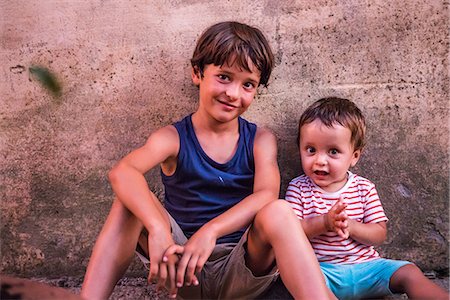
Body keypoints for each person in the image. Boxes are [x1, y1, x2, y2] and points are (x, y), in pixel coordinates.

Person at [81, 21, 334, 300]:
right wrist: (156, 228)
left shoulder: (260, 140)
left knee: (280, 210)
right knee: (128, 199)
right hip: (183, 269)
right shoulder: (173, 138)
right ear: (197, 73)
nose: (234, 93)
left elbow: (266, 195)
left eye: (247, 84)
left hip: (243, 270)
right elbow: (122, 171)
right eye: (224, 77)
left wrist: (211, 231)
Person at [285, 97, 449, 299]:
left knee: (409, 271)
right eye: (311, 150)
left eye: (333, 151)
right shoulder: (298, 188)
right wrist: (325, 223)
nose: (319, 161)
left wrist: (351, 226)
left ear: (354, 156)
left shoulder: (363, 188)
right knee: (298, 279)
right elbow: (291, 234)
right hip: (322, 272)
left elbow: (379, 234)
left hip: (368, 269)